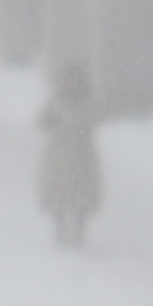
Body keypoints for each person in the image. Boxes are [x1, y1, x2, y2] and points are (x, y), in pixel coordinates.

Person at [35, 61, 104, 254]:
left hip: (80, 153)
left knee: (80, 193)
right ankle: (61, 229)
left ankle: (79, 230)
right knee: (61, 192)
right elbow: (42, 120)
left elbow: (94, 118)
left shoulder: (88, 102)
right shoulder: (56, 101)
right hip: (62, 153)